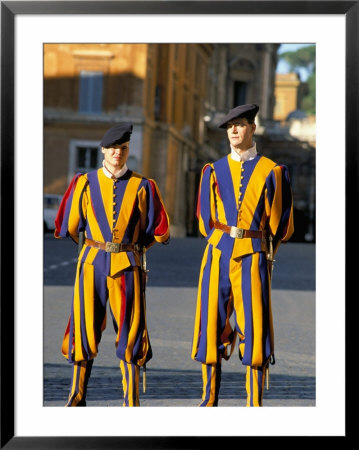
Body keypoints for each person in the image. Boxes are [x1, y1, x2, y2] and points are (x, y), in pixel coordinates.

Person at [54, 122, 170, 407]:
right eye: (113, 148)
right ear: (103, 150)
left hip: (127, 265)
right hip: (91, 264)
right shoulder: (84, 183)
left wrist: (133, 249)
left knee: (130, 331)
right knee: (84, 328)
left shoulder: (143, 186)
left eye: (123, 148)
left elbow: (159, 230)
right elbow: (69, 225)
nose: (117, 153)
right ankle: (76, 396)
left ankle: (131, 399)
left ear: (127, 150)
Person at [191, 104, 294, 407]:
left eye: (239, 125)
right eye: (229, 126)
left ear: (252, 128)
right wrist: (219, 240)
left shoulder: (272, 171)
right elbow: (204, 217)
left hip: (253, 255)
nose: (233, 131)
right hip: (217, 253)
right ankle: (209, 400)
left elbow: (282, 225)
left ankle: (254, 403)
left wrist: (260, 244)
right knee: (211, 322)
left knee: (254, 324)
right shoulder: (212, 170)